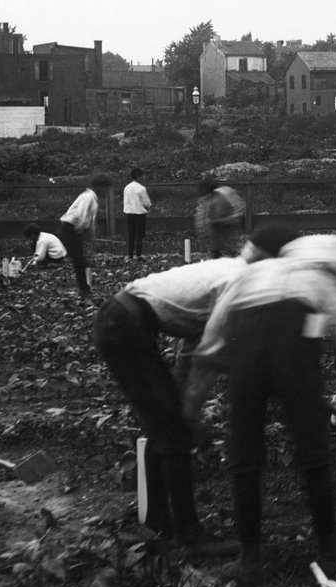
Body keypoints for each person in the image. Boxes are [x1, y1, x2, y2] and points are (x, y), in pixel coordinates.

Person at [184, 233, 336, 584]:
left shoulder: (248, 277)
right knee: (314, 453)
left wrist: (190, 407)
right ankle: (328, 545)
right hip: (295, 363)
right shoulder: (323, 283)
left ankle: (250, 557)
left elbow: (210, 346)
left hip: (246, 362)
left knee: (245, 456)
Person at [92, 225, 301, 558]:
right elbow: (209, 353)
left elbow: (193, 347)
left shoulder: (232, 271)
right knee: (173, 435)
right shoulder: (240, 281)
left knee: (167, 426)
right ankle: (189, 537)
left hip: (127, 322)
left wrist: (184, 407)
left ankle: (159, 524)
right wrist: (189, 413)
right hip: (124, 325)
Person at [58, 173, 111, 298]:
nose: (107, 192)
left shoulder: (93, 199)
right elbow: (80, 217)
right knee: (79, 260)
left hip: (73, 229)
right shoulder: (88, 198)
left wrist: (92, 241)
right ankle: (84, 290)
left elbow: (89, 224)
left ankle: (84, 289)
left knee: (80, 260)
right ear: (99, 187)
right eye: (106, 188)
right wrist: (81, 233)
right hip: (69, 228)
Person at [195, 179, 246, 258]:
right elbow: (201, 214)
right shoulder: (204, 199)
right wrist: (201, 227)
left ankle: (233, 257)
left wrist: (235, 217)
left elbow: (238, 206)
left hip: (230, 221)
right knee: (216, 245)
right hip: (214, 222)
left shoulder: (226, 194)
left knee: (227, 243)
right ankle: (217, 258)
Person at [123, 167, 152, 259]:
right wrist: (148, 207)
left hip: (129, 214)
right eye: (141, 175)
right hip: (140, 214)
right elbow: (146, 202)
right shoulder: (141, 188)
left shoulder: (127, 187)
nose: (143, 177)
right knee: (139, 236)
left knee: (131, 235)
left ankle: (130, 255)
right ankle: (138, 255)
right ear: (137, 176)